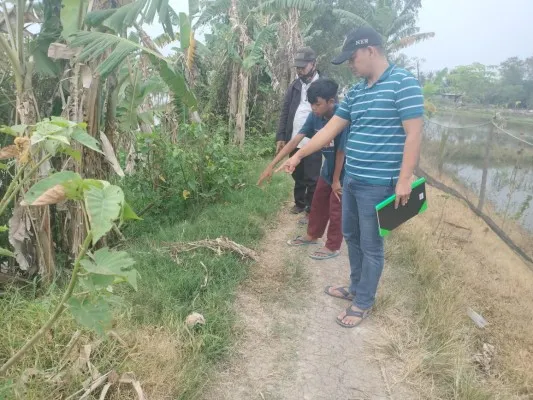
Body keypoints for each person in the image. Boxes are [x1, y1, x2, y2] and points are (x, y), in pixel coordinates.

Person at [277, 26, 424, 328]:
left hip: (379, 183)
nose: (350, 65)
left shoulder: (403, 84)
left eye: (353, 58)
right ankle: (356, 288)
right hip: (353, 179)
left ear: (370, 50)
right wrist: (298, 156)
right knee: (352, 237)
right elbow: (329, 131)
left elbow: (414, 134)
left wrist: (404, 179)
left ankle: (364, 302)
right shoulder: (357, 92)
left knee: (371, 245)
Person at [258, 78, 348, 260]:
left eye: (318, 104)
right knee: (318, 203)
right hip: (327, 170)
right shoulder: (314, 117)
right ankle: (312, 235)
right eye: (311, 104)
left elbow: (341, 152)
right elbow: (294, 141)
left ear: (331, 101)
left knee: (336, 209)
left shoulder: (342, 117)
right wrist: (271, 164)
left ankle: (332, 246)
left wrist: (337, 180)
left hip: (344, 172)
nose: (314, 108)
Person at [276, 47, 323, 216]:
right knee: (296, 173)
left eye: (304, 66)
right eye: (298, 67)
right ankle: (299, 203)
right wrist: (281, 136)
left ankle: (311, 208)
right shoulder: (295, 86)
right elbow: (285, 111)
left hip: (314, 141)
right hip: (294, 139)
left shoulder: (323, 85)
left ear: (314, 64)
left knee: (312, 177)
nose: (300, 70)